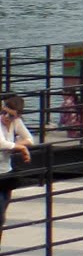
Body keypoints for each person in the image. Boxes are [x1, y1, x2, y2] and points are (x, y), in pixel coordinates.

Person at [0, 97, 33, 244]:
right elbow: (1, 144)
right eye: (3, 112)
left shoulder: (16, 123)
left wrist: (16, 145)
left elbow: (30, 139)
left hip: (6, 173)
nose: (6, 117)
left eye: (11, 115)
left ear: (17, 116)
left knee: (2, 215)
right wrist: (21, 148)